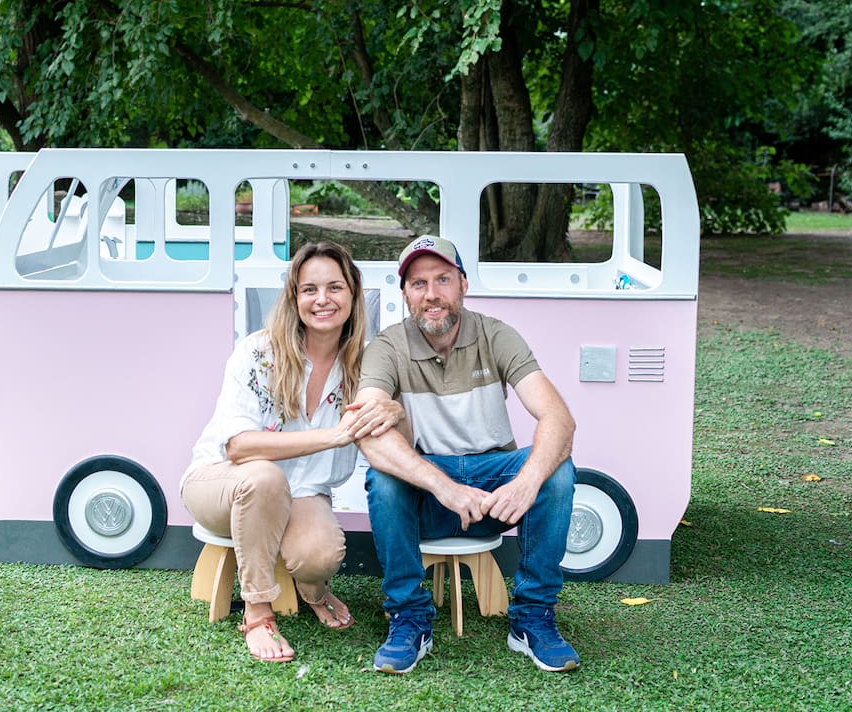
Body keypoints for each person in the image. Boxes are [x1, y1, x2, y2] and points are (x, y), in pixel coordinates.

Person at [352, 235, 580, 674]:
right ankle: (409, 616)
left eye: (443, 279)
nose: (431, 294)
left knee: (557, 469)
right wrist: (446, 488)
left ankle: (532, 617)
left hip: (496, 487)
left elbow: (558, 419)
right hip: (430, 492)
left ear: (463, 284)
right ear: (405, 294)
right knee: (383, 476)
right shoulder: (386, 347)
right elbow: (368, 432)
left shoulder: (497, 335)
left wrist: (525, 483)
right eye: (418, 284)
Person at [182, 241, 403, 663]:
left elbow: (396, 429)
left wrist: (394, 407)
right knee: (264, 477)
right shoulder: (258, 351)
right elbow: (240, 447)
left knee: (320, 556)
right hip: (221, 481)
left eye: (335, 287)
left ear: (353, 295)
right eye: (309, 289)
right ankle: (258, 611)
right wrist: (333, 436)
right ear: (294, 297)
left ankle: (312, 589)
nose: (322, 300)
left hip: (302, 491)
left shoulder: (366, 364)